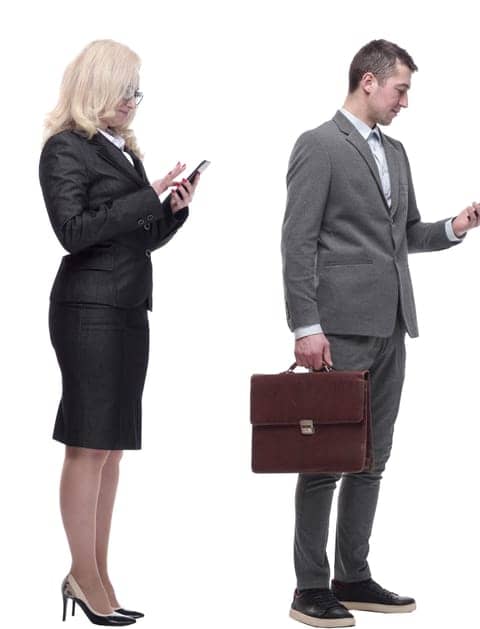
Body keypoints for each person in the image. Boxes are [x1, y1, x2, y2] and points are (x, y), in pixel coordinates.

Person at [280, 38, 480, 628]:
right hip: (338, 330)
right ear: (368, 81)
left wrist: (455, 227)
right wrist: (306, 325)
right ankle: (309, 587)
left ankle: (352, 575)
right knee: (325, 458)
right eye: (401, 89)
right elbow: (296, 242)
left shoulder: (396, 152)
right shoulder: (319, 146)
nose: (406, 101)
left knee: (372, 457)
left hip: (392, 325)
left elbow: (406, 235)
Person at [41, 38, 199, 627]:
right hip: (87, 311)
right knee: (87, 443)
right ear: (96, 88)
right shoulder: (65, 150)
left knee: (110, 450)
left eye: (138, 90)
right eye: (125, 89)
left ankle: (98, 574)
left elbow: (139, 236)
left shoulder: (122, 152)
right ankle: (84, 576)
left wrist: (170, 211)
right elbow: (72, 231)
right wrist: (144, 197)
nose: (134, 100)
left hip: (129, 309)